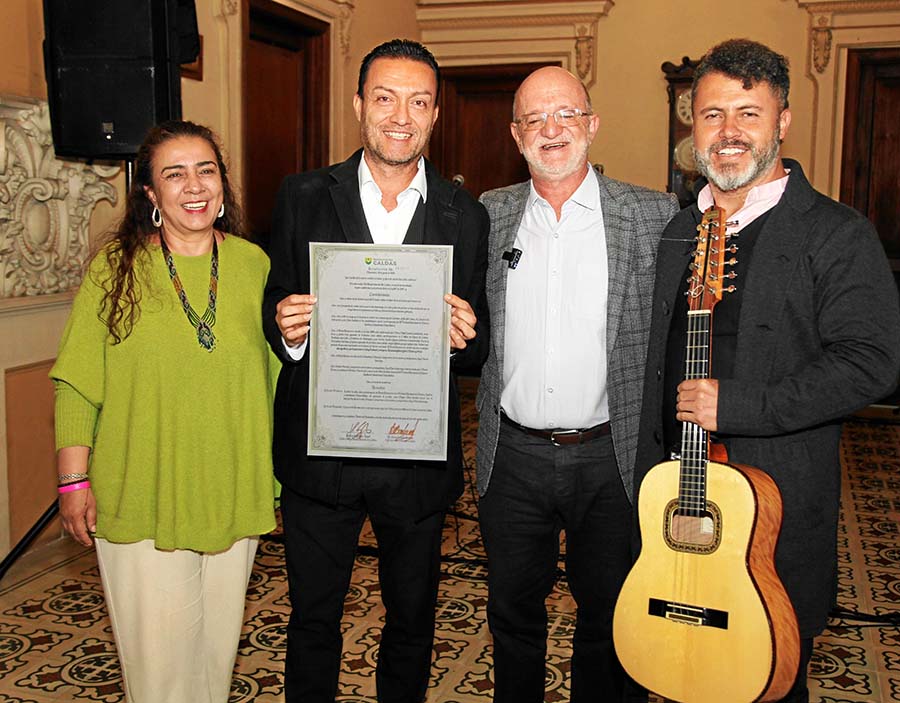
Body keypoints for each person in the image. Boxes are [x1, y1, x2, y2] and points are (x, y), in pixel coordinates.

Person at [634, 39, 900, 702]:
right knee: (671, 669)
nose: (727, 133)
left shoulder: (835, 233)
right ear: (690, 126)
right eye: (711, 114)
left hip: (772, 518)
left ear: (781, 121)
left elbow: (869, 364)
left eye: (748, 114)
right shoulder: (676, 231)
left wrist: (739, 405)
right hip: (673, 505)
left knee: (767, 684)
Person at [262, 39, 489, 703]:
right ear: (359, 104)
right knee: (311, 621)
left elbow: (475, 349)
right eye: (385, 97)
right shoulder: (302, 195)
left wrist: (460, 337)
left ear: (435, 114)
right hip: (320, 456)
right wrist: (287, 327)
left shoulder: (463, 213)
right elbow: (273, 305)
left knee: (412, 623)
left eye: (418, 101)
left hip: (414, 459)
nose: (400, 115)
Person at [50, 120, 279, 703]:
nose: (194, 185)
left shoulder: (257, 267)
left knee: (214, 667)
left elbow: (281, 376)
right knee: (162, 682)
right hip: (141, 491)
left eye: (206, 170)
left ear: (223, 184)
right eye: (173, 174)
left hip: (233, 487)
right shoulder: (115, 269)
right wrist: (74, 478)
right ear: (150, 195)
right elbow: (78, 383)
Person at [474, 66, 678, 703]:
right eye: (534, 118)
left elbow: (680, 334)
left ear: (592, 124)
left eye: (565, 114)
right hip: (512, 459)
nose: (550, 129)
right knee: (512, 617)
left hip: (612, 457)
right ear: (515, 134)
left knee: (614, 619)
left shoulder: (652, 215)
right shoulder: (488, 215)